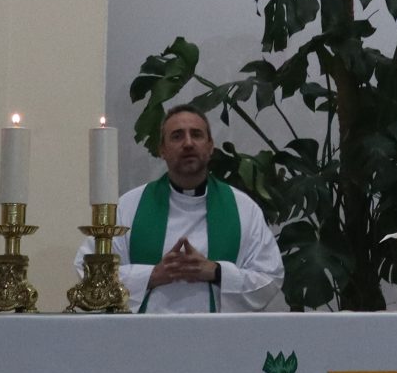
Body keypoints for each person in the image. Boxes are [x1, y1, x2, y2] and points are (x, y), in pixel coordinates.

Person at [94, 104, 284, 313]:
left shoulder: (243, 209)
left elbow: (269, 277)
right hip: (147, 331)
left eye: (196, 134)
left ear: (210, 147)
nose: (188, 143)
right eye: (177, 136)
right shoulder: (129, 206)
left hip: (216, 333)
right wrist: (151, 275)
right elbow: (93, 274)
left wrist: (217, 272)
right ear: (162, 149)